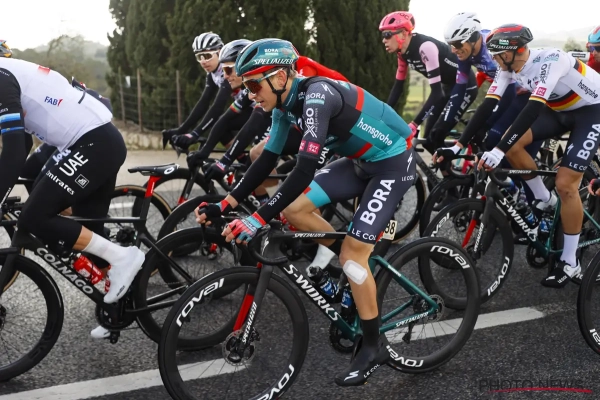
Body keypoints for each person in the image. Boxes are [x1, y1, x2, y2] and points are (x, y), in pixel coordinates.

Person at [195, 38, 416, 386]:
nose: (250, 94)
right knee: (295, 210)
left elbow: (303, 169)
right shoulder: (283, 105)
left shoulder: (317, 96)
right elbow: (266, 159)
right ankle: (345, 261)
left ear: (281, 78)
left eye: (253, 85)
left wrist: (256, 218)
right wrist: (226, 203)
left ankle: (375, 347)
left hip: (391, 164)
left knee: (354, 257)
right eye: (246, 85)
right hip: (359, 162)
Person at [457, 24, 600, 287]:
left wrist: (497, 151)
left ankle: (570, 261)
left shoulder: (551, 61)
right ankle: (545, 199)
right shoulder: (508, 68)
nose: (495, 61)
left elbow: (532, 110)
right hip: (559, 109)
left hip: (592, 112)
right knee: (512, 144)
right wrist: (459, 144)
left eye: (497, 55)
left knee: (566, 184)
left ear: (512, 52)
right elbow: (488, 104)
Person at [0, 58, 144, 306]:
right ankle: (125, 304)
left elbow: (14, 150)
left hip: (94, 142)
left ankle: (123, 257)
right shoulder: (7, 74)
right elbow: (22, 144)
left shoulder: (2, 78)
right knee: (88, 228)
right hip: (86, 141)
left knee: (33, 216)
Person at [379, 11, 478, 153]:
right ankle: (446, 167)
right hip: (447, 87)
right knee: (427, 142)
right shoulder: (401, 54)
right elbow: (398, 87)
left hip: (465, 86)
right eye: (383, 35)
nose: (384, 40)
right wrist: (382, 116)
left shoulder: (425, 47)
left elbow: (436, 93)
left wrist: (414, 124)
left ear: (404, 33)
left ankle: (473, 149)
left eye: (387, 35)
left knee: (436, 135)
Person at [163, 32, 234, 150]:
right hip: (249, 108)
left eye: (207, 56)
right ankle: (243, 160)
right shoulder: (212, 73)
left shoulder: (228, 70)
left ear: (220, 52)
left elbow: (218, 107)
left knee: (220, 123)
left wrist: (195, 133)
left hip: (260, 109)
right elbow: (204, 102)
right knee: (220, 127)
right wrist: (182, 129)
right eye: (199, 57)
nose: (203, 61)